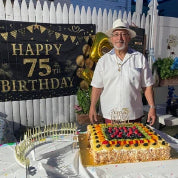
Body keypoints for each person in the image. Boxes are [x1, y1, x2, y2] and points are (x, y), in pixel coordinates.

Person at [89, 19, 156, 125]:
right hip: (111, 115)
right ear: (111, 39)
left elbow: (147, 86)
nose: (119, 38)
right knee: (111, 141)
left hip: (133, 114)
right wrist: (92, 106)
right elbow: (97, 86)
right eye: (116, 34)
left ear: (129, 37)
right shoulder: (103, 61)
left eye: (123, 34)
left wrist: (152, 107)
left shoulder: (139, 58)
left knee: (133, 141)